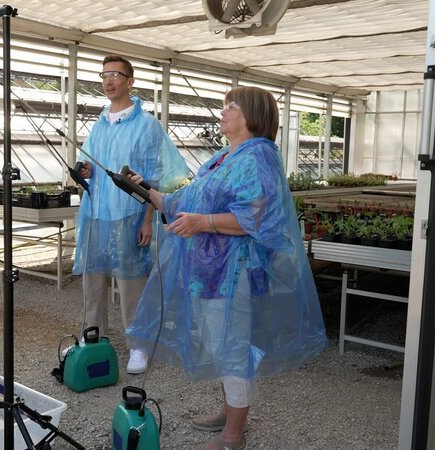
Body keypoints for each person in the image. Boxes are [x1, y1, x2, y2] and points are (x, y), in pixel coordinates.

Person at [125, 87, 327, 450]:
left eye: (230, 106)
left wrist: (204, 223)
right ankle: (229, 412)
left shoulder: (258, 156)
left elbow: (261, 217)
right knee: (222, 346)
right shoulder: (225, 156)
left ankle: (233, 435)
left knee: (232, 348)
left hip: (233, 274)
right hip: (207, 272)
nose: (223, 112)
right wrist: (147, 190)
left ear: (252, 116)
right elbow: (186, 200)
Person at [72, 55, 189, 375]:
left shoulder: (146, 125)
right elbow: (91, 162)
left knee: (131, 285)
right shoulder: (99, 123)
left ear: (130, 81)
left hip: (129, 214)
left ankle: (138, 346)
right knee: (93, 282)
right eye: (104, 75)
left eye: (115, 75)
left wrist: (148, 219)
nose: (108, 80)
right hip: (96, 213)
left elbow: (153, 175)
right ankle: (95, 338)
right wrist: (85, 169)